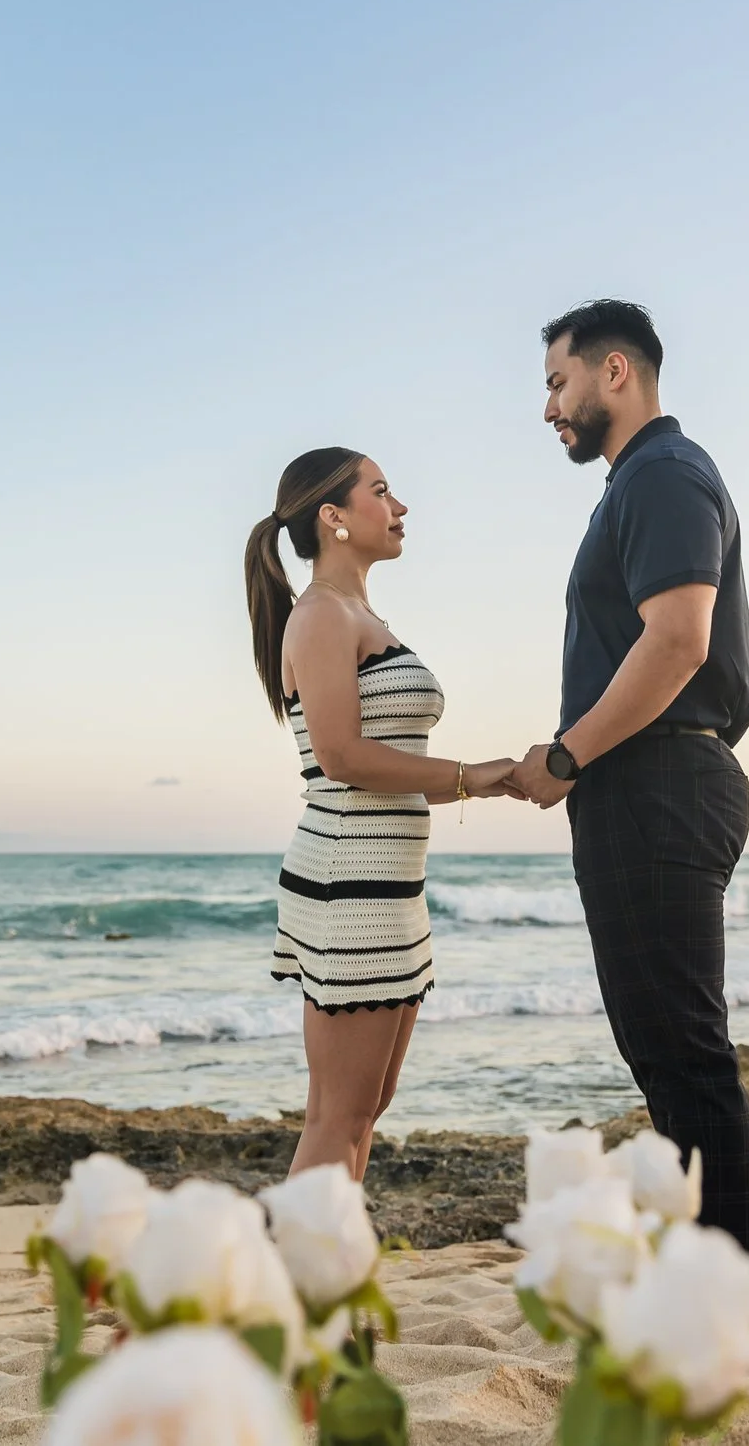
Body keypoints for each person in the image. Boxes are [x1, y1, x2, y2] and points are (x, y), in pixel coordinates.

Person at [506, 300, 749, 1268]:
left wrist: (568, 754)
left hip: (656, 777)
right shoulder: (642, 481)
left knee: (684, 1056)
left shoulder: (661, 472)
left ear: (614, 371)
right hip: (652, 779)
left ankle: (722, 1295)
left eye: (555, 382)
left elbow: (677, 639)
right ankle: (706, 1283)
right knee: (666, 1052)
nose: (548, 408)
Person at [244, 447, 523, 1180]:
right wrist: (472, 776)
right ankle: (300, 1287)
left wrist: (484, 781)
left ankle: (329, 1270)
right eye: (382, 491)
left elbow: (386, 764)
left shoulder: (359, 613)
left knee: (363, 1108)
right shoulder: (320, 615)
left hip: (388, 884)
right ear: (332, 517)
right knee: (339, 1114)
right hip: (348, 883)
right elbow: (340, 757)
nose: (399, 507)